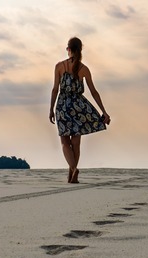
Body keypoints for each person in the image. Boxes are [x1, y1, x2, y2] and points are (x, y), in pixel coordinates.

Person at [49, 37, 110, 184]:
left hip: (63, 106)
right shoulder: (84, 69)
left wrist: (51, 109)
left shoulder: (59, 66)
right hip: (78, 108)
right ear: (80, 49)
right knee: (75, 143)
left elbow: (55, 89)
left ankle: (74, 169)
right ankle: (72, 173)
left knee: (64, 142)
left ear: (68, 49)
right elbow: (94, 92)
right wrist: (104, 111)